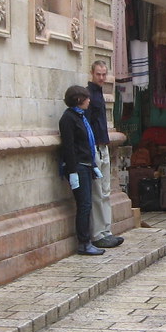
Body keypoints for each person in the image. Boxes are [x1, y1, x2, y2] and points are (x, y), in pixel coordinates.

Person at [59, 85, 104, 256]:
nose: (89, 101)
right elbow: (69, 147)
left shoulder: (81, 117)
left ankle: (88, 240)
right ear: (78, 99)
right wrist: (72, 172)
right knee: (83, 205)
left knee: (87, 204)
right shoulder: (68, 119)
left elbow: (86, 144)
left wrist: (93, 165)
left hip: (86, 165)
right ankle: (84, 242)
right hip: (78, 166)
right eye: (86, 98)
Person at [87, 61, 124, 249]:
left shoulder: (100, 94)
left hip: (104, 146)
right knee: (98, 192)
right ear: (91, 73)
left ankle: (106, 230)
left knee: (106, 190)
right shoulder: (88, 95)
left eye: (104, 74)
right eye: (98, 74)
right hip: (95, 147)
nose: (101, 78)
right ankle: (98, 233)